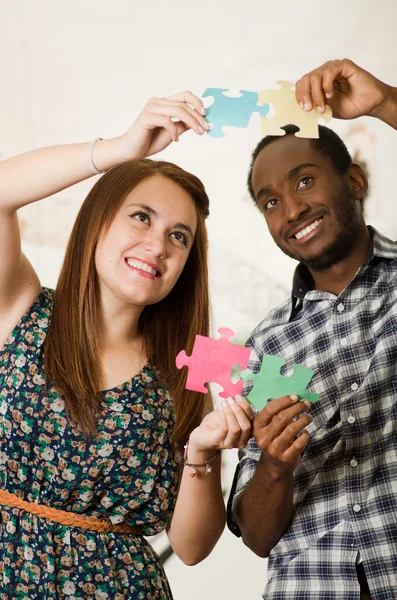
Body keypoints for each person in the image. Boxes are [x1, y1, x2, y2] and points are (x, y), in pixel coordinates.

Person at [0, 92, 254, 599]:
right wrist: (119, 149)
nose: (158, 244)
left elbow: (190, 548)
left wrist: (200, 455)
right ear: (99, 222)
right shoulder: (20, 307)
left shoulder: (193, 369)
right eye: (141, 217)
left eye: (179, 237)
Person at [227, 59, 397, 600]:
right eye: (270, 201)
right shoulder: (268, 348)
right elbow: (256, 537)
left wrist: (385, 103)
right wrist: (275, 466)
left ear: (354, 180)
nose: (292, 208)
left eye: (304, 180)